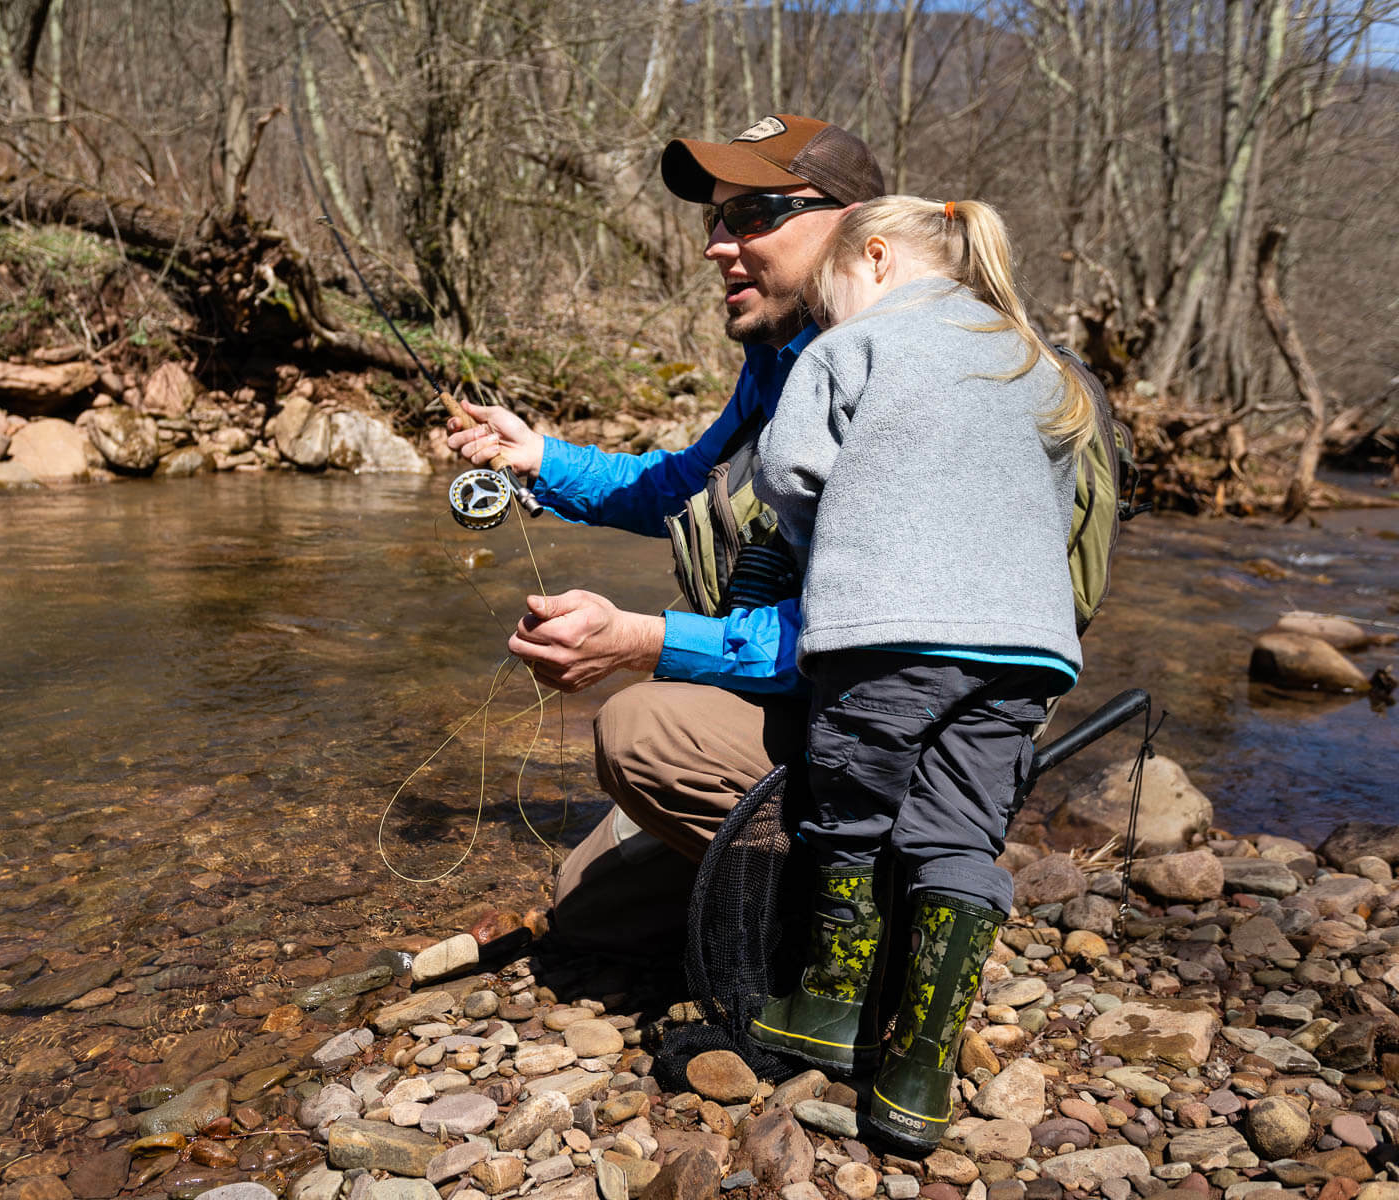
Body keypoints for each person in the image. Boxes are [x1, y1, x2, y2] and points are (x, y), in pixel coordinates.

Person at [446, 116, 886, 957]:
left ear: (853, 224)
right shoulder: (788, 358)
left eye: (753, 215)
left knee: (639, 731)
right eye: (715, 221)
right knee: (586, 906)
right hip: (822, 709)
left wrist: (643, 643)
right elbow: (689, 489)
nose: (719, 246)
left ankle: (866, 922)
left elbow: (859, 637)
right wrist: (537, 457)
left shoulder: (897, 378)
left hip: (897, 732)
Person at [746, 196, 1093, 1152]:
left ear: (880, 256)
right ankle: (920, 1073)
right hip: (1027, 648)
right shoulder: (1031, 356)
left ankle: (829, 1010)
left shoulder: (853, 347)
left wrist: (830, 547)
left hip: (890, 633)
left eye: (830, 294)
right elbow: (1054, 505)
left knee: (847, 810)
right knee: (962, 835)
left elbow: (787, 471)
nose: (826, 314)